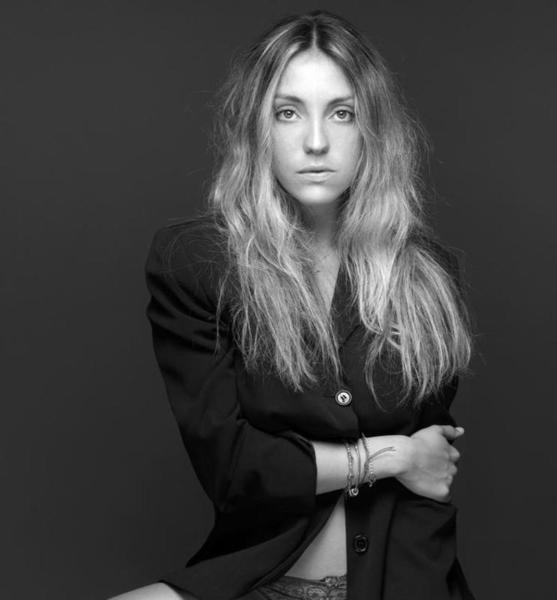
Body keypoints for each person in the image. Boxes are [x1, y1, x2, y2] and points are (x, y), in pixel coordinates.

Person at [109, 10, 474, 600]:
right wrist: (392, 455)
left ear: (373, 130)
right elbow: (235, 468)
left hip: (403, 583)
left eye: (342, 112)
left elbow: (430, 479)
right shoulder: (200, 264)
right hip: (266, 581)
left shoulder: (427, 275)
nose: (316, 141)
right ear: (257, 129)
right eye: (288, 112)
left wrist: (403, 462)